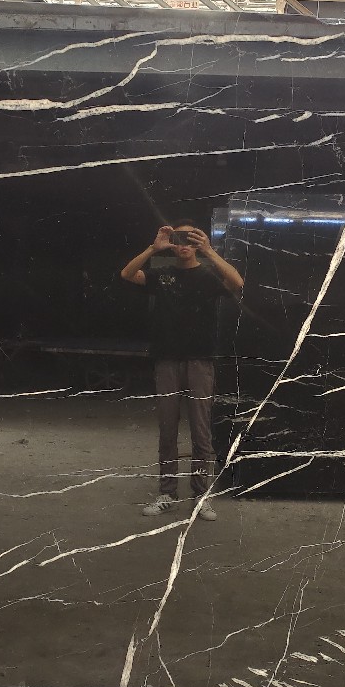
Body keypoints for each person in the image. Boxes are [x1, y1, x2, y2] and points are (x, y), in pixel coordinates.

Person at [121, 220, 244, 520]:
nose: (184, 244)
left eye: (190, 239)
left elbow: (237, 282)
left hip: (200, 360)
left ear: (198, 243)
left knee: (201, 431)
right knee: (167, 429)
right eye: (179, 239)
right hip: (167, 359)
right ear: (172, 243)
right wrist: (154, 248)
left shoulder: (207, 276)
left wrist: (210, 251)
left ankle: (201, 495)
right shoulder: (162, 275)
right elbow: (127, 274)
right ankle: (167, 493)